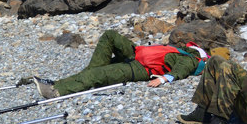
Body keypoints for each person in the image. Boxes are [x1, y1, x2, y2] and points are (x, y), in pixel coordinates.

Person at [23, 29, 207, 99]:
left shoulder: (191, 59)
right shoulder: (182, 51)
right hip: (135, 54)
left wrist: (165, 79)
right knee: (110, 35)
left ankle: (57, 90)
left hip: (140, 68)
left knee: (98, 75)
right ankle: (71, 80)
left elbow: (183, 69)